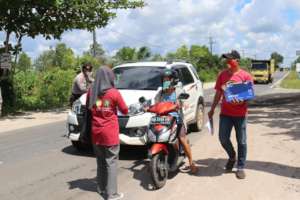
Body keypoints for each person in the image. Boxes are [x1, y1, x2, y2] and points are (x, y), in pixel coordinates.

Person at [208, 50, 253, 179]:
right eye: (226, 59)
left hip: (240, 114)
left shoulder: (245, 76)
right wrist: (212, 109)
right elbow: (218, 94)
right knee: (223, 138)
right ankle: (232, 156)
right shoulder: (222, 75)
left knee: (242, 141)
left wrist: (241, 100)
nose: (227, 61)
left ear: (237, 61)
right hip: (226, 114)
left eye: (230, 59)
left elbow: (249, 95)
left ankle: (240, 166)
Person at [87, 66, 128, 200]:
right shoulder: (113, 93)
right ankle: (112, 194)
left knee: (100, 162)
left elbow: (89, 107)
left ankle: (102, 189)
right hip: (109, 133)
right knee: (111, 162)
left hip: (96, 132)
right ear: (109, 77)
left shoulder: (91, 91)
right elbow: (125, 110)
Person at [155, 68, 198, 174]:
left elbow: (183, 102)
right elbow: (156, 105)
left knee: (182, 139)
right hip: (163, 120)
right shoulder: (160, 93)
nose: (166, 81)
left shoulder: (178, 91)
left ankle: (191, 162)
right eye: (164, 79)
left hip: (177, 120)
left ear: (173, 80)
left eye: (168, 79)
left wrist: (180, 104)